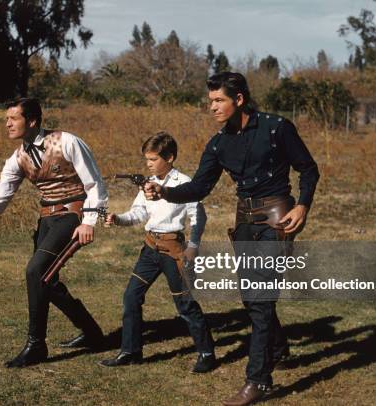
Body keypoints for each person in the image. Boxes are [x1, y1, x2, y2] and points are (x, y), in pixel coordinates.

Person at [144, 72, 320, 405]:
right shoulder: (218, 143)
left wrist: (303, 205)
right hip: (244, 225)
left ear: (238, 99)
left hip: (277, 220)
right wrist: (164, 191)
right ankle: (279, 349)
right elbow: (199, 187)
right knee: (253, 297)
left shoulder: (276, 128)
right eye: (210, 101)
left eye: (218, 100)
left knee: (260, 297)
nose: (211, 107)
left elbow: (308, 169)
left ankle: (258, 380)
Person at [0, 98, 108, 367]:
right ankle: (93, 333)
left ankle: (36, 345)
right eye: (6, 119)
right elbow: (0, 198)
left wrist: (89, 221)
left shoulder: (67, 142)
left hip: (73, 214)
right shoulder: (17, 158)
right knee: (47, 280)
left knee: (35, 272)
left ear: (32, 121)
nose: (7, 124)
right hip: (47, 219)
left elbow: (95, 184)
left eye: (13, 118)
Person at [99, 132, 216, 373]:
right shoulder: (147, 184)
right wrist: (117, 219)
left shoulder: (185, 184)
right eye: (147, 159)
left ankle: (206, 353)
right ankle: (131, 352)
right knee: (131, 297)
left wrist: (193, 246)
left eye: (153, 159)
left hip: (174, 253)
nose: (148, 164)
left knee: (185, 305)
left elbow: (198, 217)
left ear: (169, 157)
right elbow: (138, 214)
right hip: (150, 249)